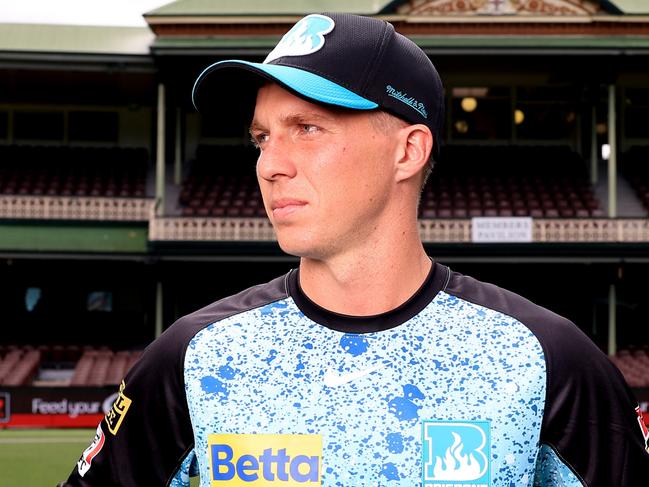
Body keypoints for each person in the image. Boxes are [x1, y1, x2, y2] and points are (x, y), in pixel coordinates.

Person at [61, 12, 649, 487]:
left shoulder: (549, 359)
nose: (270, 165)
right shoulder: (190, 358)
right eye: (262, 137)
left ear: (408, 151)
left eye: (308, 129)